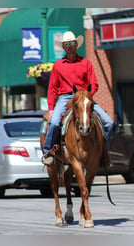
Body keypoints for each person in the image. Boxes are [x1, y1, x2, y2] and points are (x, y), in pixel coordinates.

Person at [42, 31, 114, 166]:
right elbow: (52, 88)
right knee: (54, 122)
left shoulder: (86, 63)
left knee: (109, 123)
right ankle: (48, 152)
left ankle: (104, 152)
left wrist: (87, 97)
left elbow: (94, 84)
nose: (69, 46)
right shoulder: (58, 65)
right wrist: (51, 108)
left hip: (83, 97)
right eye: (66, 44)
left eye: (72, 43)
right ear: (63, 47)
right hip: (65, 97)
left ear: (76, 45)